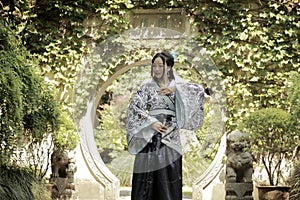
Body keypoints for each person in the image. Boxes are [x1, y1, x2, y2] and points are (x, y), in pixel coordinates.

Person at [126, 51, 204, 200]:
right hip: (149, 138)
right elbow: (134, 108)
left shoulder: (178, 86)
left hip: (170, 138)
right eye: (154, 65)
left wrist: (175, 89)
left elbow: (199, 91)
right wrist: (151, 122)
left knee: (169, 179)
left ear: (168, 67)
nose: (156, 69)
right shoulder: (147, 87)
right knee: (145, 180)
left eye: (160, 65)